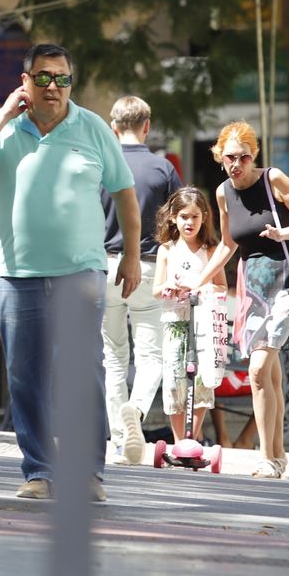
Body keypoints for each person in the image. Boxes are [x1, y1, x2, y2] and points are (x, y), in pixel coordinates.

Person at [0, 42, 139, 501]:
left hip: (82, 273)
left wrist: (132, 255)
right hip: (18, 275)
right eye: (43, 77)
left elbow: (125, 195)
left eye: (62, 78)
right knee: (26, 376)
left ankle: (89, 472)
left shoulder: (94, 128)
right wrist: (2, 115)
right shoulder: (4, 126)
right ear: (26, 81)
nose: (53, 86)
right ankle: (39, 471)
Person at [194, 122, 289, 479]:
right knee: (271, 376)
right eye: (230, 157)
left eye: (244, 157)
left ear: (255, 156)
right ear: (220, 158)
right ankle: (278, 455)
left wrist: (284, 232)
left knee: (257, 372)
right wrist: (196, 282)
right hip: (250, 284)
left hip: (281, 280)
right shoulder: (222, 193)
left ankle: (266, 457)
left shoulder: (274, 180)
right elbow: (227, 244)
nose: (237, 164)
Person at [100, 95, 183, 465]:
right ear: (146, 126)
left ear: (114, 127)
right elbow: (182, 222)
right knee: (152, 355)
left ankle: (120, 440)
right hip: (149, 267)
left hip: (104, 266)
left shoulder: (100, 163)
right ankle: (135, 409)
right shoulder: (163, 168)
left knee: (113, 357)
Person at [151, 187, 220, 447]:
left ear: (203, 217)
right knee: (174, 379)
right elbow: (156, 290)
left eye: (194, 216)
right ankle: (179, 441)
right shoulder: (166, 250)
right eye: (183, 217)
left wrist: (203, 288)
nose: (189, 222)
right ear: (172, 218)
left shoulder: (210, 250)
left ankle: (193, 437)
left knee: (202, 380)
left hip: (202, 324)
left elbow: (221, 285)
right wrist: (169, 288)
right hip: (174, 323)